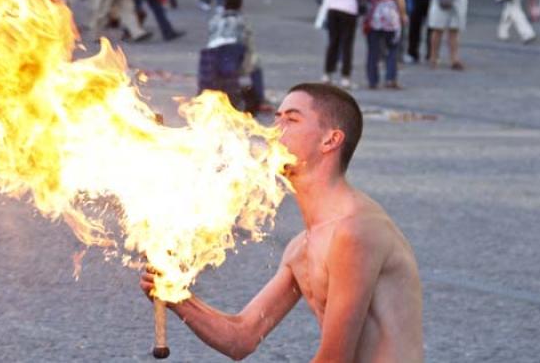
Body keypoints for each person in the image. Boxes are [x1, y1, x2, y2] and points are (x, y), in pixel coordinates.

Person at [140, 83, 424, 362]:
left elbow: (335, 359)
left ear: (330, 140)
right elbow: (241, 338)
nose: (274, 130)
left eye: (291, 119)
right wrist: (175, 294)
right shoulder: (302, 247)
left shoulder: (355, 232)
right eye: (276, 118)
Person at [205, 0, 272, 113]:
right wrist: (249, 64)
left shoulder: (215, 19)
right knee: (256, 64)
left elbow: (210, 39)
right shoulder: (243, 21)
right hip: (233, 60)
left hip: (211, 61)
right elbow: (249, 46)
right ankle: (260, 99)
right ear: (240, 4)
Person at [363, 0, 407, 89]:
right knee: (393, 47)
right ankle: (390, 78)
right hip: (390, 13)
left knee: (373, 50)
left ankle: (372, 80)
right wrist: (403, 13)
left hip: (373, 13)